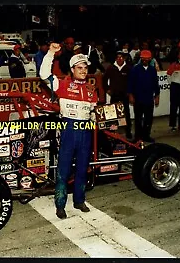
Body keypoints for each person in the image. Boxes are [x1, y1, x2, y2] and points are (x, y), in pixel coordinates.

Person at [40, 43, 97, 219]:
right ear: (72, 69)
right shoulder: (62, 84)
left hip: (85, 129)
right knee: (64, 169)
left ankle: (79, 201)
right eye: (79, 68)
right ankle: (60, 205)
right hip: (69, 128)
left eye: (85, 68)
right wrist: (50, 53)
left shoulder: (91, 88)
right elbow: (43, 74)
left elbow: (93, 112)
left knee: (82, 168)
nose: (83, 71)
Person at [127, 50, 160, 143]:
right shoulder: (135, 69)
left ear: (150, 59)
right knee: (138, 119)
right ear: (141, 58)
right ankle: (137, 137)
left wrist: (157, 95)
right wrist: (130, 95)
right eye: (143, 59)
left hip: (149, 98)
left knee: (148, 119)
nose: (145, 60)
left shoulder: (152, 70)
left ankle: (146, 136)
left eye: (147, 59)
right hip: (138, 98)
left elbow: (155, 83)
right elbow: (130, 83)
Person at [103, 51, 133, 139]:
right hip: (114, 94)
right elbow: (104, 80)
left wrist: (129, 92)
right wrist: (107, 89)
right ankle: (112, 132)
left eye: (121, 57)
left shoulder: (128, 68)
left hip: (124, 95)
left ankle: (128, 131)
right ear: (115, 58)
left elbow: (132, 81)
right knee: (113, 114)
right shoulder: (111, 68)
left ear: (124, 58)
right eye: (118, 57)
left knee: (126, 114)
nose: (119, 59)